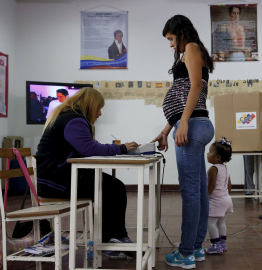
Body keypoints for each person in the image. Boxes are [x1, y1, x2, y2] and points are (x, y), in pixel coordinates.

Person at [35, 87, 139, 259]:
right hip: (56, 183)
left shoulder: (67, 117)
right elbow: (89, 148)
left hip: (53, 179)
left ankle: (110, 238)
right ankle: (113, 239)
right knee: (114, 187)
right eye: (99, 108)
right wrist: (122, 148)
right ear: (90, 105)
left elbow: (87, 147)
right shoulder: (74, 120)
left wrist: (113, 148)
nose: (99, 114)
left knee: (109, 186)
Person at [152, 14, 214, 269]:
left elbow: (196, 87)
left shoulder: (190, 47)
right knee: (198, 191)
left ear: (180, 32)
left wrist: (184, 123)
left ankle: (185, 253)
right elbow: (183, 96)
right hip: (196, 124)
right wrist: (167, 129)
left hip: (193, 125)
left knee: (189, 192)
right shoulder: (193, 49)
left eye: (170, 38)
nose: (170, 44)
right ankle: (196, 247)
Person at [204, 137, 233, 255]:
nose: (207, 153)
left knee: (210, 223)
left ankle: (215, 245)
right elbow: (229, 184)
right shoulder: (225, 168)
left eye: (210, 151)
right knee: (221, 223)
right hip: (226, 199)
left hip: (216, 201)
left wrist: (205, 197)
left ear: (217, 157)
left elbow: (211, 186)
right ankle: (222, 244)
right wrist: (226, 196)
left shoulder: (213, 169)